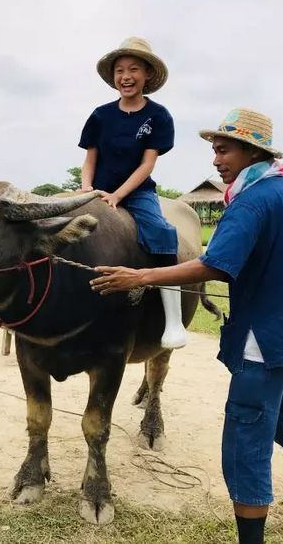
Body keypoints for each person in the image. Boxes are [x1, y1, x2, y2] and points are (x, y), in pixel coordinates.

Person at [90, 108, 283, 544]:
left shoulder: (254, 200)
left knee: (245, 442)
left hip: (262, 344)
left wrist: (139, 276)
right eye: (214, 150)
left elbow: (214, 266)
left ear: (251, 152)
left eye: (223, 150)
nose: (215, 160)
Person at [78, 36, 185, 349]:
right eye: (120, 70)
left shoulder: (158, 116)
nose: (125, 76)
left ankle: (173, 320)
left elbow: (147, 165)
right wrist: (87, 189)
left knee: (163, 232)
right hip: (95, 190)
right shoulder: (100, 115)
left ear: (147, 74)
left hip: (136, 192)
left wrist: (118, 195)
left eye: (133, 69)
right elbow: (89, 159)